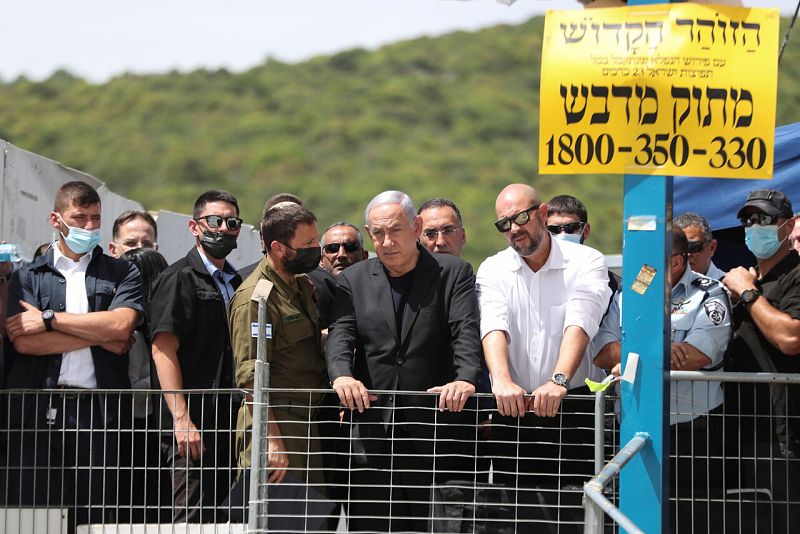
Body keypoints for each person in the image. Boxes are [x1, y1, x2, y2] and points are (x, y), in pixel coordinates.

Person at [326, 190, 482, 532]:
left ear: (415, 226)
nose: (386, 241)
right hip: (373, 434)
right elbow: (341, 334)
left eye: (395, 230)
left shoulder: (452, 273)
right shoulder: (353, 281)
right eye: (377, 233)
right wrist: (341, 376)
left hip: (438, 430)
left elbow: (465, 331)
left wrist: (466, 378)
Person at [4, 181, 142, 525]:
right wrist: (99, 335)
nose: (89, 226)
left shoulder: (122, 272)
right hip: (37, 411)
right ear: (56, 219)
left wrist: (49, 319)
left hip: (97, 414)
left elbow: (122, 326)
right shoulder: (28, 277)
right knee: (32, 518)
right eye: (79, 218)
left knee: (95, 516)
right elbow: (24, 341)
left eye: (95, 218)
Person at [476, 183, 610, 530]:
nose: (514, 229)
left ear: (543, 213)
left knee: (575, 516)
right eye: (504, 224)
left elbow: (581, 320)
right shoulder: (492, 268)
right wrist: (501, 381)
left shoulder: (587, 260)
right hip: (513, 408)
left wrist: (559, 380)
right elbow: (493, 325)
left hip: (571, 407)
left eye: (520, 218)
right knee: (516, 518)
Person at [593, 227, 732, 532]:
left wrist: (632, 352)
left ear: (676, 261)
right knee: (634, 516)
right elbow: (602, 353)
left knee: (695, 520)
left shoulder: (709, 292)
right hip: (633, 424)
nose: (641, 267)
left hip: (694, 430)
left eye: (648, 259)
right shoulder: (629, 293)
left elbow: (699, 354)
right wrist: (664, 350)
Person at [148, 189, 242, 523]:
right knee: (192, 519)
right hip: (192, 427)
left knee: (228, 520)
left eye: (231, 222)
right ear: (194, 227)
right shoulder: (177, 279)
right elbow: (163, 349)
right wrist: (181, 418)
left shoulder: (236, 282)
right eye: (214, 221)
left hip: (230, 422)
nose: (223, 228)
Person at [721, 189, 800, 530]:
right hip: (740, 426)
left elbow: (790, 338)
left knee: (786, 520)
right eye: (748, 220)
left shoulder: (794, 275)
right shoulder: (751, 279)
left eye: (765, 219)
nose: (755, 227)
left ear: (788, 225)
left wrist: (748, 294)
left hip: (781, 431)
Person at [120, 246, 168, 523]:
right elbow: (134, 387)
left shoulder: (146, 329)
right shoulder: (135, 333)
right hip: (139, 427)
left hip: (149, 427)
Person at [674, 212, 726, 280]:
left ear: (712, 247)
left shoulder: (729, 288)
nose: (685, 254)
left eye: (693, 246)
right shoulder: (661, 284)